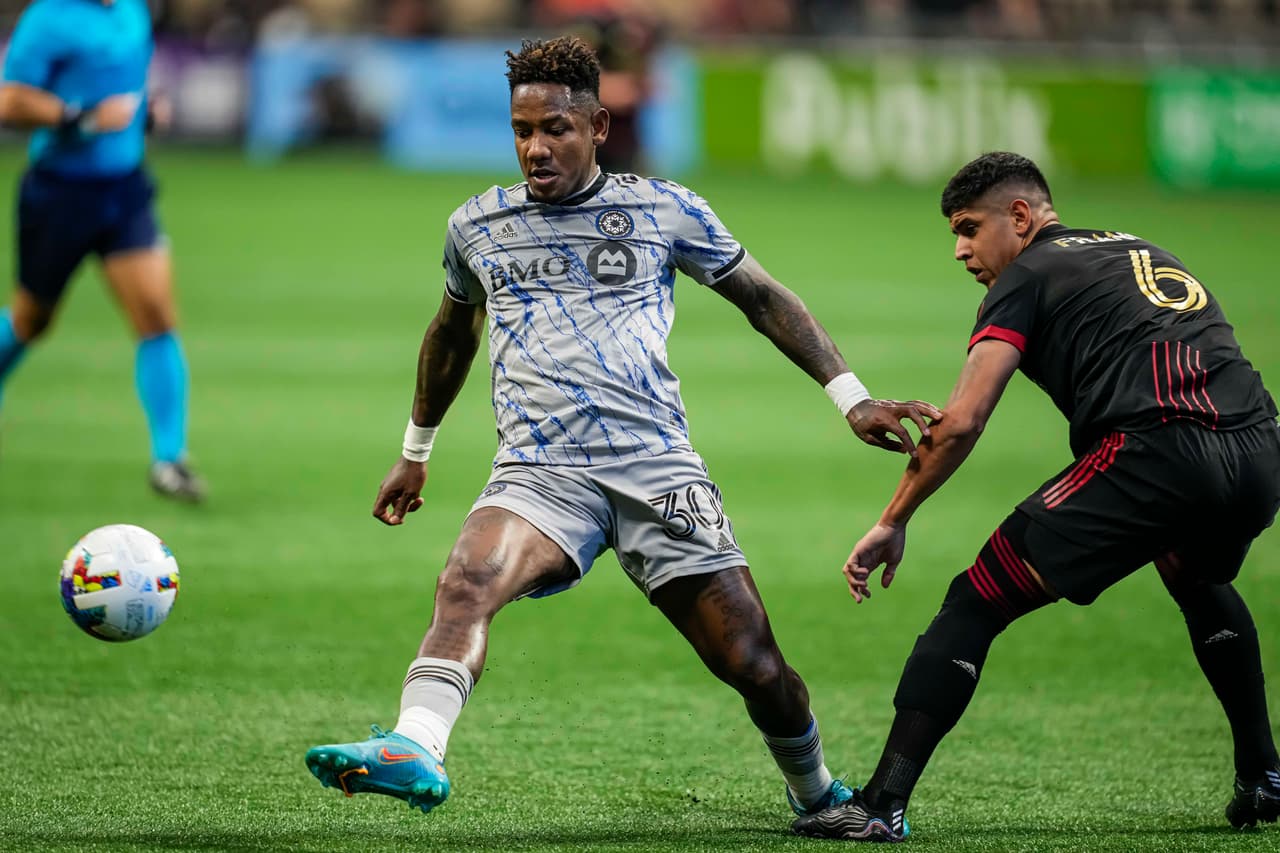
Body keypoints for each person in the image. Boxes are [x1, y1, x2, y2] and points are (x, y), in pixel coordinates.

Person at [304, 36, 940, 819]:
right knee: (466, 579)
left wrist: (851, 396)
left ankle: (817, 796)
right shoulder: (477, 226)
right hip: (541, 471)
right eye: (521, 130)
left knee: (752, 661)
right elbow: (449, 334)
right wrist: (415, 451)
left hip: (656, 467)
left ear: (598, 125)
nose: (536, 147)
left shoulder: (661, 208)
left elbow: (763, 297)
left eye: (555, 130)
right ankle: (415, 745)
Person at [793, 151, 1280, 842]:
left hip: (1159, 450)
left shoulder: (1025, 276)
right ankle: (1264, 772)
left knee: (974, 600)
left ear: (1020, 216)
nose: (961, 250)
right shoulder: (1138, 246)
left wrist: (893, 518)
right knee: (1195, 576)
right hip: (1260, 450)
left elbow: (961, 419)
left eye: (968, 228)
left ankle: (880, 804)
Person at [0, 0, 204, 501]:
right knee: (31, 320)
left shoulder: (133, 9)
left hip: (124, 189)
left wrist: (145, 111)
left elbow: (123, 88)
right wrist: (79, 116)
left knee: (156, 313)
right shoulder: (49, 19)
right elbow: (10, 101)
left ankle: (169, 460)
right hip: (58, 193)